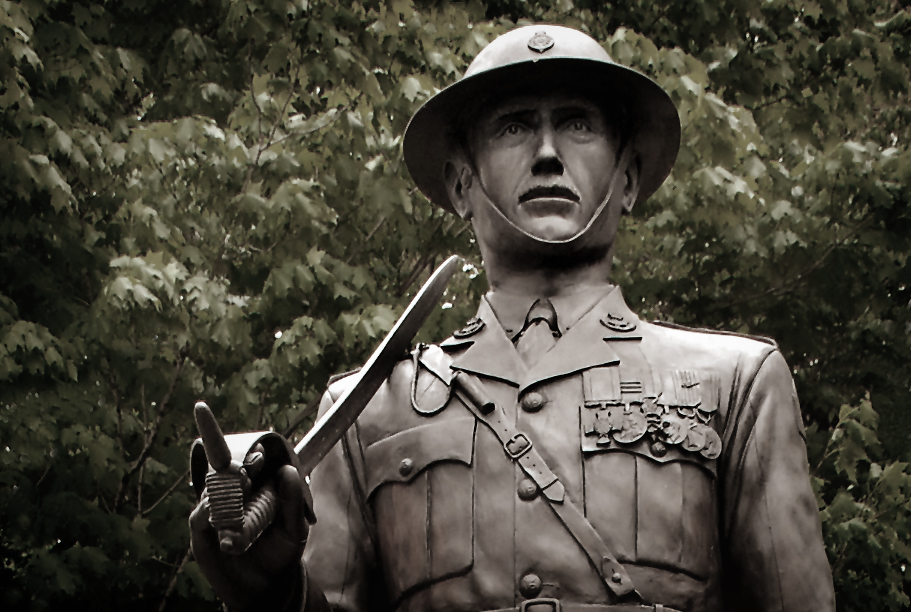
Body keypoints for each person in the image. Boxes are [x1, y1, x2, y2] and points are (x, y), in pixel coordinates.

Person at [190, 25, 836, 612]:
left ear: (629, 177)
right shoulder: (368, 410)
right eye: (513, 127)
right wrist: (272, 591)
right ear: (462, 185)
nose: (548, 153)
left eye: (578, 125)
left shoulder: (735, 383)